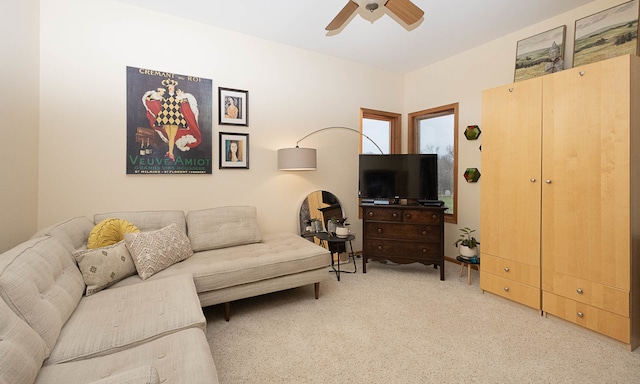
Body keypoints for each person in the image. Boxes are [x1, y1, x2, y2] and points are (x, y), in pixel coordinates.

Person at [142, 79, 201, 161]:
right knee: (170, 136)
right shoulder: (163, 97)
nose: (171, 88)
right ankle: (170, 152)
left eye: (172, 87)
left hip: (175, 117)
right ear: (167, 88)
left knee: (172, 136)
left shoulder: (179, 97)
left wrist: (182, 95)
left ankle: (171, 153)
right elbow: (148, 99)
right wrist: (157, 93)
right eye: (169, 87)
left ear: (174, 87)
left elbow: (189, 101)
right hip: (165, 117)